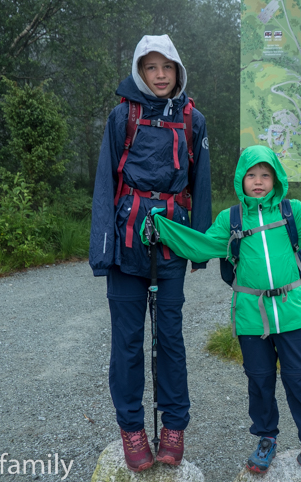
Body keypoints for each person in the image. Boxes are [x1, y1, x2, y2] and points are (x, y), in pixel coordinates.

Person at [142, 145, 301, 481]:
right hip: (251, 315)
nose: (259, 181)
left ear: (277, 178)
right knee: (260, 381)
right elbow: (199, 245)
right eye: (251, 175)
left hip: (292, 313)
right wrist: (161, 228)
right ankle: (266, 439)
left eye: (265, 175)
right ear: (241, 180)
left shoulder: (293, 213)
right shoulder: (231, 220)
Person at [89, 35, 211, 472]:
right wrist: (101, 252)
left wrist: (198, 247)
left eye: (167, 67)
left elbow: (201, 185)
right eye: (151, 68)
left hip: (172, 240)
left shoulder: (193, 120)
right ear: (139, 72)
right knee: (126, 343)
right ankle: (132, 428)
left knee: (171, 339)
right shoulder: (122, 117)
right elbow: (106, 183)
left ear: (178, 70)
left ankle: (175, 424)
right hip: (127, 244)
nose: (160, 76)